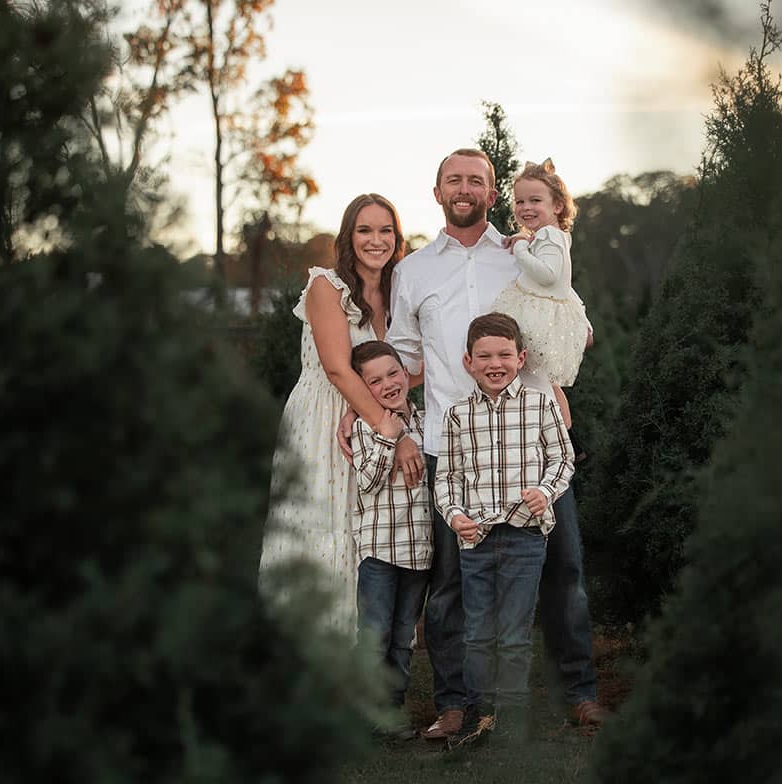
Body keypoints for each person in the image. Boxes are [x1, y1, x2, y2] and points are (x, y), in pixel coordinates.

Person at [379, 148, 607, 737]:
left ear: (491, 192)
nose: (464, 189)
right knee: (453, 583)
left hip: (532, 445)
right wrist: (373, 416)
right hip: (452, 446)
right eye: (453, 180)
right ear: (436, 192)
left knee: (564, 570)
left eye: (476, 181)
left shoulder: (522, 254)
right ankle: (457, 703)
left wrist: (554, 375)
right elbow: (404, 361)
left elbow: (572, 320)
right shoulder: (414, 271)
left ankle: (578, 693)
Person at [259, 194, 423, 636]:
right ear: (348, 238)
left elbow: (411, 369)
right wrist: (389, 427)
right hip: (322, 420)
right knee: (323, 526)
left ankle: (363, 658)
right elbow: (336, 366)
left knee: (368, 533)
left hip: (367, 419)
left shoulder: (398, 296)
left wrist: (376, 414)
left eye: (385, 230)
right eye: (365, 230)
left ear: (397, 237)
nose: (376, 240)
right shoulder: (326, 287)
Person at [436, 313, 574, 748]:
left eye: (504, 355)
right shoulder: (457, 415)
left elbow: (563, 459)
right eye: (484, 356)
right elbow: (448, 478)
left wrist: (546, 491)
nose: (495, 364)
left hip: (525, 535)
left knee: (514, 633)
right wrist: (454, 514)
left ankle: (512, 715)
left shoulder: (540, 404)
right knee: (477, 630)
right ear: (468, 361)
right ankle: (481, 713)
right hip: (475, 538)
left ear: (521, 357)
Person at [348, 340, 433, 739]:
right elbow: (366, 480)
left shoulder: (424, 420)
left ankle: (392, 711)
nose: (388, 384)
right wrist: (389, 436)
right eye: (375, 380)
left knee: (403, 639)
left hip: (418, 552)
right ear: (363, 388)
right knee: (376, 634)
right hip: (381, 550)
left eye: (393, 373)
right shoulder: (366, 426)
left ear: (406, 373)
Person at [489, 158, 588, 428]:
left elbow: (548, 275)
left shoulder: (550, 236)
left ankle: (560, 434)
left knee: (536, 379)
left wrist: (520, 247)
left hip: (539, 318)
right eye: (520, 202)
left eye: (535, 201)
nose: (526, 207)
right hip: (542, 312)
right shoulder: (549, 235)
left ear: (557, 205)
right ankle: (564, 434)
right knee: (543, 381)